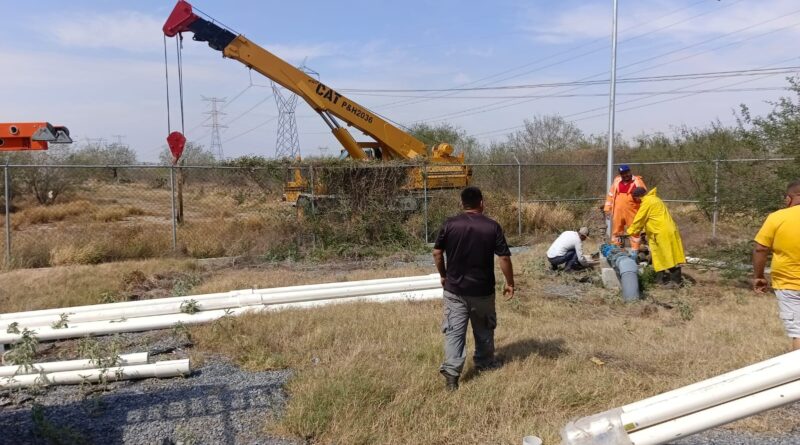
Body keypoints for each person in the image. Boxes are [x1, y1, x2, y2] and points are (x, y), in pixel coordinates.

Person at [433, 186, 514, 391]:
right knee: (484, 328)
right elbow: (503, 257)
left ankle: (452, 376)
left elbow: (436, 253)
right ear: (482, 203)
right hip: (482, 291)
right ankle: (485, 363)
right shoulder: (492, 226)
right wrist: (510, 282)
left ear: (462, 204)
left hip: (455, 290)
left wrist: (443, 275)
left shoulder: (450, 224)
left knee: (454, 332)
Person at [753, 180, 800, 350]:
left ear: (789, 199)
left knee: (799, 333)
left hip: (790, 285)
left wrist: (759, 276)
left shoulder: (777, 217)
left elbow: (760, 248)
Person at [627, 187, 686, 286]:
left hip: (661, 232)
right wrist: (645, 231)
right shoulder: (655, 199)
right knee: (659, 256)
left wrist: (630, 231)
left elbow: (639, 219)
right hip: (665, 230)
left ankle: (676, 282)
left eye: (635, 199)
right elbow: (653, 217)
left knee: (667, 256)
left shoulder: (647, 203)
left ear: (638, 197)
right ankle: (659, 281)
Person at [604, 165, 647, 251]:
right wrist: (607, 208)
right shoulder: (617, 181)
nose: (625, 175)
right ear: (620, 174)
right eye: (622, 174)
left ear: (630, 171)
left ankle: (635, 251)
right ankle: (615, 249)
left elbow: (644, 196)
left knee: (634, 232)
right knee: (616, 232)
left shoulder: (638, 181)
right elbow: (610, 195)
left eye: (626, 173)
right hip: (617, 211)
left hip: (632, 211)